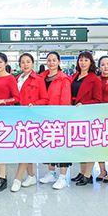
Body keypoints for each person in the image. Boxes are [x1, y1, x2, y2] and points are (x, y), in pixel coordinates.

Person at [11, 53, 49, 192]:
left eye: (28, 61)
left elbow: (45, 99)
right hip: (18, 117)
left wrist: (34, 104)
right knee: (24, 148)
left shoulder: (38, 79)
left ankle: (17, 179)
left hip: (31, 118)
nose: (25, 64)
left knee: (25, 148)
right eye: (22, 62)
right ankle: (31, 175)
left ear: (33, 63)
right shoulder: (16, 79)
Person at [38, 52, 72, 185]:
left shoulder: (64, 79)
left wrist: (62, 117)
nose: (51, 63)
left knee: (61, 146)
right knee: (49, 145)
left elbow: (65, 100)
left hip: (59, 117)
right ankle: (51, 173)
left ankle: (63, 176)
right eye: (49, 60)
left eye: (54, 60)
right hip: (45, 116)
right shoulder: (42, 77)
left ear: (59, 62)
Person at [70, 51, 102, 188]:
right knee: (80, 146)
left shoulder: (94, 79)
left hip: (88, 115)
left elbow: (98, 100)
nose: (83, 63)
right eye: (81, 60)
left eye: (86, 60)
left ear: (91, 63)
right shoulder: (74, 76)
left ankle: (88, 175)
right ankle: (82, 172)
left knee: (88, 147)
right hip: (75, 114)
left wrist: (84, 104)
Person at [0, 53, 20, 192]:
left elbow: (17, 98)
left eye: (1, 62)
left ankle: (3, 177)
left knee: (0, 146)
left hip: (4, 117)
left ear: (6, 63)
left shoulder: (10, 78)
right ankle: (0, 174)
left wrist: (3, 101)